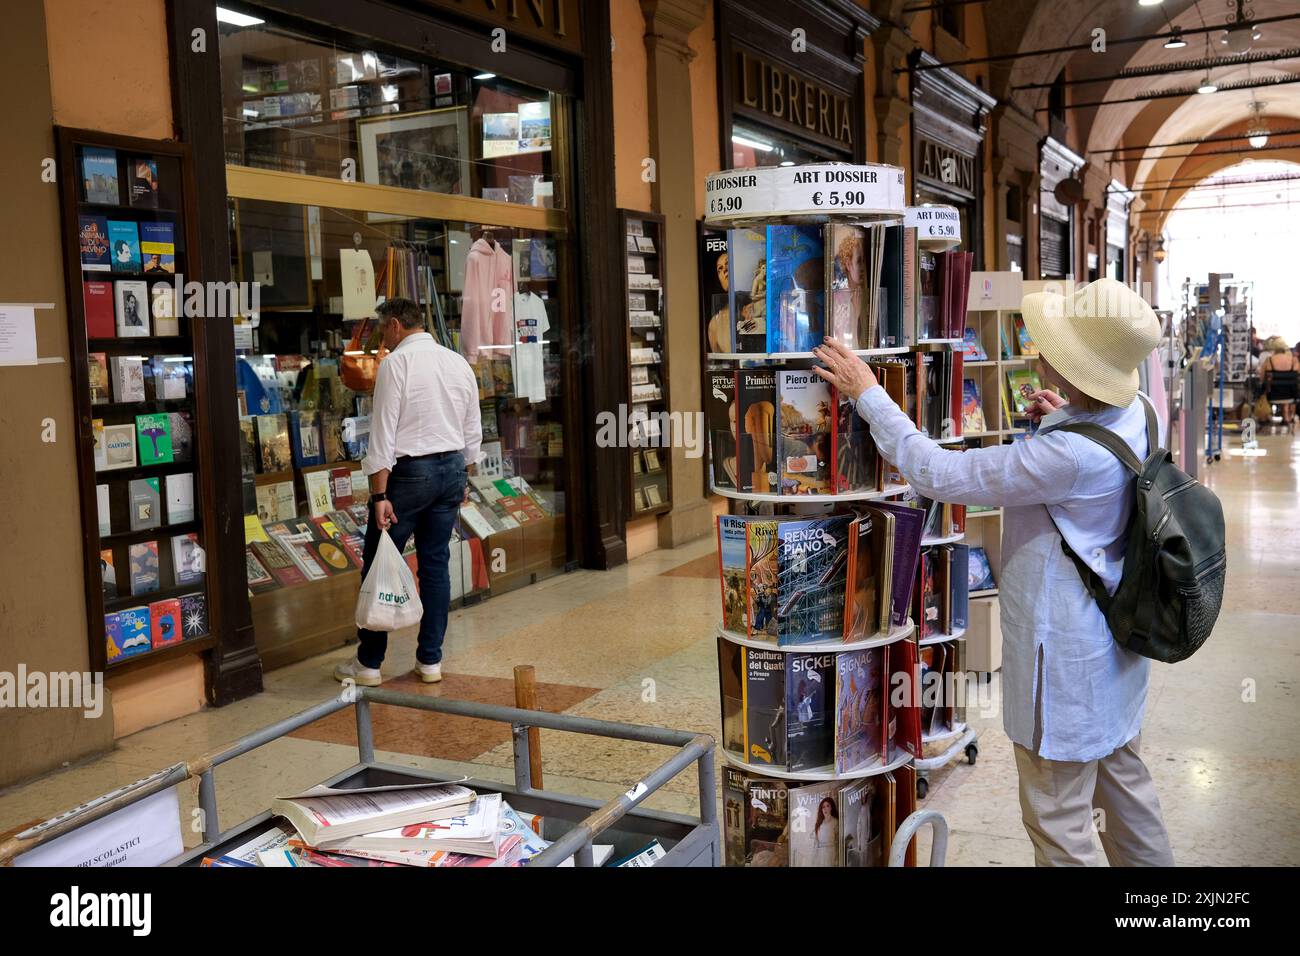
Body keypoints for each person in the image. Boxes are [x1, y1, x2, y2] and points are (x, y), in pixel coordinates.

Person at [812, 277, 1175, 867]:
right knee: (1127, 798)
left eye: (1055, 348)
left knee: (1059, 825)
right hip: (1116, 653)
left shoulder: (1065, 456)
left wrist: (869, 393)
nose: (1039, 353)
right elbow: (1099, 462)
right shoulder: (1142, 412)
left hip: (1063, 665)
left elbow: (939, 473)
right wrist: (1064, 417)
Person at [334, 296, 481, 687]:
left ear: (396, 324)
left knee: (380, 561)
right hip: (452, 468)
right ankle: (430, 660)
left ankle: (368, 664)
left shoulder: (396, 364)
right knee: (435, 565)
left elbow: (382, 435)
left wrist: (380, 495)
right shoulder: (457, 362)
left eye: (384, 329)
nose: (384, 337)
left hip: (410, 474)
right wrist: (464, 476)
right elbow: (472, 429)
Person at [1260, 335, 1297, 427]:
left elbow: (1262, 377)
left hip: (1272, 394)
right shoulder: (1294, 360)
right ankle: (1287, 417)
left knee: (1263, 390)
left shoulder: (1269, 360)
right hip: (1291, 395)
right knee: (1287, 388)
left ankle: (1264, 417)